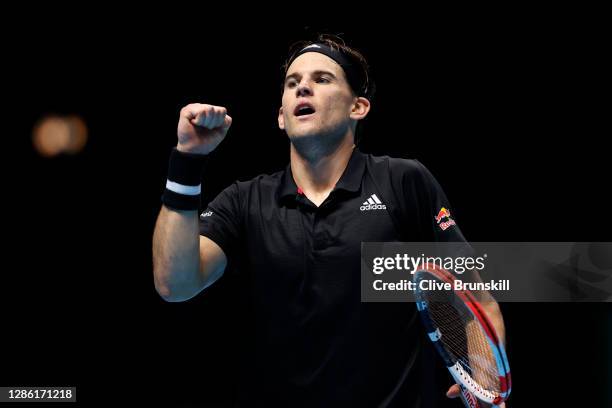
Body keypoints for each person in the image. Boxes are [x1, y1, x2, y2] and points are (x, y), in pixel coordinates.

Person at [152, 34, 506, 407]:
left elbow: (477, 300)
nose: (303, 86)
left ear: (358, 107)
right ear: (280, 116)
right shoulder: (245, 202)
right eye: (293, 83)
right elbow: (175, 284)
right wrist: (187, 161)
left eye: (322, 79)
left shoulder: (403, 181)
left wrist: (484, 383)